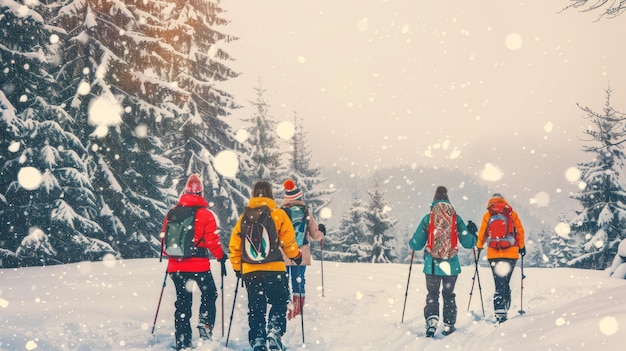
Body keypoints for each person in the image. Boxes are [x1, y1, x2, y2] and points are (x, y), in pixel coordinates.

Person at [229, 180, 303, 351]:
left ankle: (258, 340)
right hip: (274, 268)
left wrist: (237, 267)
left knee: (256, 307)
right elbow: (288, 241)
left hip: (250, 270)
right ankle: (274, 332)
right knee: (279, 301)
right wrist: (296, 256)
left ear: (254, 194)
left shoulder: (244, 217)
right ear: (270, 194)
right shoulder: (278, 214)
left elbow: (234, 245)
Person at [160, 173, 227, 350]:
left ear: (186, 191)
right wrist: (221, 256)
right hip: (199, 266)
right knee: (210, 293)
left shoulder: (172, 213)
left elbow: (164, 240)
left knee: (183, 302)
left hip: (176, 267)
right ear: (201, 193)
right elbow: (212, 241)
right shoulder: (206, 214)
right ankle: (205, 323)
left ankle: (182, 341)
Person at [409, 186, 477, 337]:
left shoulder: (429, 218)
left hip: (432, 265)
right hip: (451, 265)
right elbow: (468, 243)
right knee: (448, 294)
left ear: (434, 199)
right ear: (448, 198)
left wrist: (413, 239)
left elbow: (416, 244)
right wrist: (473, 234)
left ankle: (432, 321)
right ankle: (448, 324)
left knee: (432, 294)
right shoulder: (455, 218)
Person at [280, 179, 326, 320]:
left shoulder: (280, 213)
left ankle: (284, 310)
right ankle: (297, 311)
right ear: (300, 197)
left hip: (284, 253)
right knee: (298, 281)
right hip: (301, 254)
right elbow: (314, 235)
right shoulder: (306, 213)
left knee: (283, 281)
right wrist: (322, 232)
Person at [476, 193, 525, 323]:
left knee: (499, 282)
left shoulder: (488, 215)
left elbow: (482, 232)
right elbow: (520, 230)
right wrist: (521, 246)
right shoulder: (511, 213)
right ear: (503, 200)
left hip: (494, 254)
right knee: (505, 281)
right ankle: (505, 305)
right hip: (511, 254)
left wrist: (479, 245)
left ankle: (499, 310)